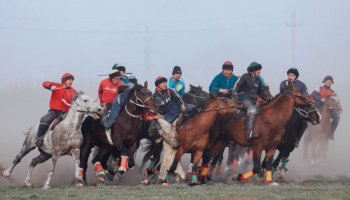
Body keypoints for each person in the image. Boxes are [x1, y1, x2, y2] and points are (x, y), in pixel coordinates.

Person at [35, 73, 77, 147]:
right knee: (45, 119)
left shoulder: (73, 91)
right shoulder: (57, 86)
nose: (71, 82)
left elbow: (78, 98)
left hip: (66, 114)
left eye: (72, 80)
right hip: (54, 111)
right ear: (64, 81)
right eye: (69, 80)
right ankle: (39, 138)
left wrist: (77, 97)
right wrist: (50, 86)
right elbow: (45, 83)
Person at [148, 76, 186, 147]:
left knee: (191, 108)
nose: (165, 84)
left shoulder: (170, 90)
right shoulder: (154, 96)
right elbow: (154, 108)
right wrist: (155, 113)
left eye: (166, 82)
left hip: (175, 110)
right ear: (158, 85)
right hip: (166, 114)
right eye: (163, 83)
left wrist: (182, 105)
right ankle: (165, 138)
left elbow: (178, 99)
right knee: (152, 128)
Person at [233, 62, 267, 140]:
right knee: (252, 110)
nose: (260, 72)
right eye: (258, 70)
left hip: (254, 100)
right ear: (253, 70)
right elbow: (236, 87)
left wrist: (266, 98)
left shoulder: (259, 80)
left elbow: (261, 92)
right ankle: (249, 133)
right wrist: (234, 94)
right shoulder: (245, 76)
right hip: (243, 98)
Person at [280, 68, 308, 147]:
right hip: (285, 106)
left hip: (298, 107)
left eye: (292, 75)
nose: (290, 77)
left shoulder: (301, 84)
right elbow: (282, 94)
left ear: (296, 77)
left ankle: (297, 139)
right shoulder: (283, 83)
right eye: (289, 75)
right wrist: (289, 87)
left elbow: (305, 95)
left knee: (304, 123)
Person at [311, 75, 340, 140]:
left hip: (329, 107)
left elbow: (334, 101)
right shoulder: (319, 88)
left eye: (330, 81)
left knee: (337, 118)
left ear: (332, 82)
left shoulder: (333, 92)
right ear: (324, 81)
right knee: (311, 116)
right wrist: (321, 99)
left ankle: (331, 133)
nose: (329, 82)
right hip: (319, 105)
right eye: (327, 81)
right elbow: (313, 95)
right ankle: (309, 132)